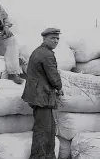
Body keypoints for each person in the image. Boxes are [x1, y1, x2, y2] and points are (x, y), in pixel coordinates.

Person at [22, 28, 64, 159]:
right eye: (53, 38)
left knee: (50, 130)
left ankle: (49, 156)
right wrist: (60, 87)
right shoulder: (46, 54)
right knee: (43, 131)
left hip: (41, 97)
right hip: (41, 98)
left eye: (57, 38)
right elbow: (53, 75)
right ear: (44, 39)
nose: (56, 41)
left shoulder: (41, 51)